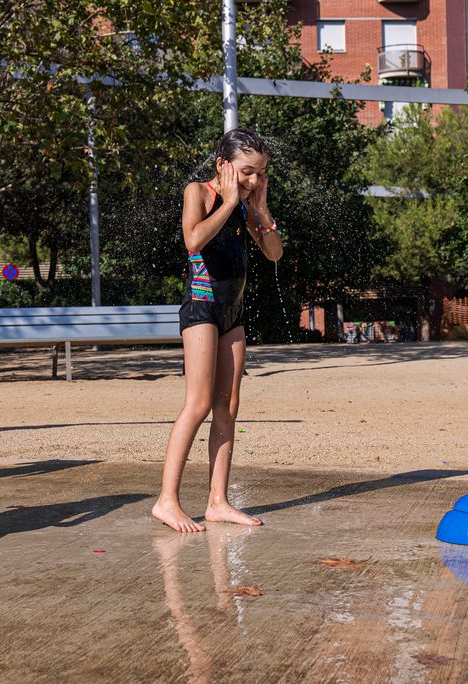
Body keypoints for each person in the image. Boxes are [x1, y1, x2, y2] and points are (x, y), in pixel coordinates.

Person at [152, 128, 283, 533]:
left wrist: (260, 213)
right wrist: (228, 202)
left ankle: (217, 501)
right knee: (199, 403)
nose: (253, 182)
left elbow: (275, 253)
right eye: (247, 173)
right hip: (202, 308)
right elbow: (193, 240)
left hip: (233, 313)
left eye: (260, 174)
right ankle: (166, 501)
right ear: (222, 165)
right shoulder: (200, 192)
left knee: (228, 409)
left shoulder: (248, 207)